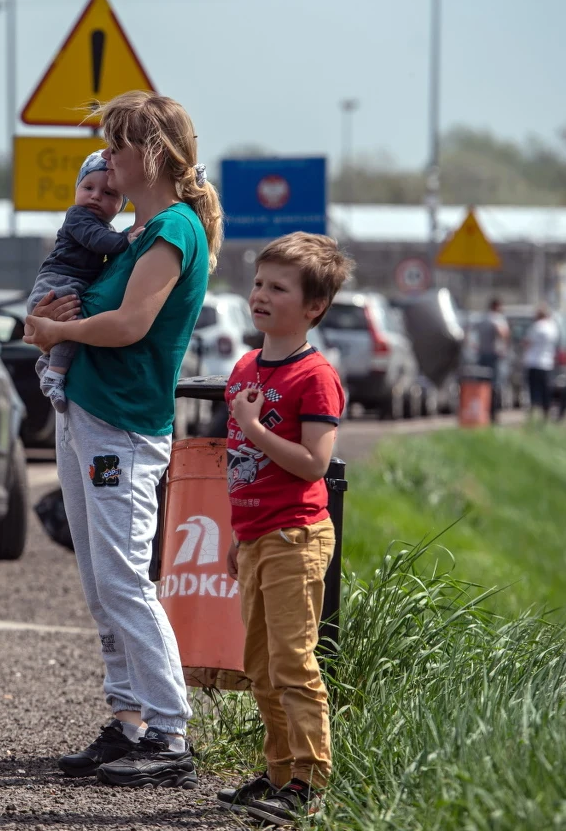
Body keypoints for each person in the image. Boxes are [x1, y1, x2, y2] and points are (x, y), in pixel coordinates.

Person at [23, 91, 218, 789]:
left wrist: (59, 334)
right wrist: (44, 322)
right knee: (101, 582)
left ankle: (168, 733)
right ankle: (128, 719)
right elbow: (79, 308)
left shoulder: (172, 231)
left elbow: (131, 325)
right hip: (87, 415)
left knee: (125, 581)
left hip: (124, 426)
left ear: (153, 155)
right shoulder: (135, 231)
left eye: (117, 147)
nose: (107, 159)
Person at [215, 232, 352, 826]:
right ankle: (277, 775)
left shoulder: (314, 376)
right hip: (256, 538)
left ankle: (311, 781)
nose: (261, 295)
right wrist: (236, 536)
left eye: (278, 287)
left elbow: (314, 462)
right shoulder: (246, 365)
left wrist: (256, 424)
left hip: (296, 536)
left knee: (294, 663)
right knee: (261, 667)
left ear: (314, 307)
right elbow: (242, 465)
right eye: (259, 283)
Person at [26, 151, 130, 412]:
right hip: (57, 282)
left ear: (121, 204)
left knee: (72, 328)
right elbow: (96, 240)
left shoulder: (107, 230)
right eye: (88, 187)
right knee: (72, 326)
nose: (96, 196)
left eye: (109, 194)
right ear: (76, 191)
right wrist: (127, 241)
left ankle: (48, 365)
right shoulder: (78, 217)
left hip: (73, 283)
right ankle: (55, 376)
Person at [472, 297, 511, 423]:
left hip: (482, 355)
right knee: (495, 385)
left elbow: (473, 338)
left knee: (483, 385)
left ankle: (482, 412)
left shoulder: (482, 319)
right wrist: (505, 342)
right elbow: (502, 332)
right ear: (496, 306)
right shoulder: (496, 318)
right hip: (494, 357)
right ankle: (494, 414)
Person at [522, 304, 559, 422]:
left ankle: (533, 413)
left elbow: (527, 342)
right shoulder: (553, 327)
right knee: (546, 390)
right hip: (547, 363)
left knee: (534, 390)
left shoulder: (536, 327)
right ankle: (546, 413)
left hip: (534, 362)